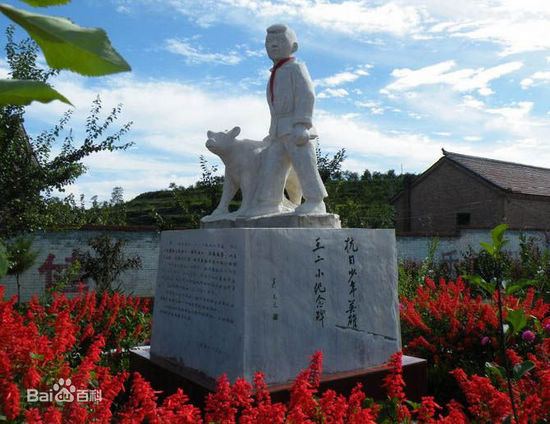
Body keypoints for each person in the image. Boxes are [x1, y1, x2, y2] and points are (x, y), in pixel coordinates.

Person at [250, 23, 327, 216]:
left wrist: (302, 124)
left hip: (296, 128)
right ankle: (269, 202)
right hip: (278, 131)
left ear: (294, 46)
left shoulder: (296, 68)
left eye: (280, 40)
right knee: (272, 166)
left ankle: (315, 200)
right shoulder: (275, 73)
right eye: (269, 41)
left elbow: (307, 95)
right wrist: (272, 131)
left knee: (305, 164)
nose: (273, 45)